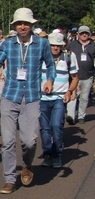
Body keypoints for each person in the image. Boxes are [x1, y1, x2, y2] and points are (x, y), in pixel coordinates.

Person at [0, 8, 55, 194]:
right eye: (19, 23)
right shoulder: (7, 44)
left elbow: (50, 63)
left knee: (29, 141)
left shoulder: (42, 43)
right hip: (10, 97)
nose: (23, 26)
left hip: (31, 97)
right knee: (7, 141)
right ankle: (9, 179)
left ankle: (27, 164)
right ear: (14, 26)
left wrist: (50, 79)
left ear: (31, 25)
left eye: (26, 23)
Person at [40, 32, 78, 168]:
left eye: (58, 45)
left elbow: (75, 77)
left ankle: (57, 154)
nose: (55, 48)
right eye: (53, 45)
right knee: (45, 129)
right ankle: (47, 154)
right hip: (42, 98)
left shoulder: (69, 57)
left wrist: (69, 91)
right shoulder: (41, 57)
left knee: (56, 125)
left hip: (59, 98)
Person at [65, 25, 94, 124]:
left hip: (88, 76)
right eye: (82, 33)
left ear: (89, 34)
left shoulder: (93, 46)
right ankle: (71, 116)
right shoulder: (72, 45)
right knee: (72, 96)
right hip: (74, 76)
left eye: (86, 33)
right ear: (78, 34)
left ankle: (81, 116)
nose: (84, 35)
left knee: (84, 98)